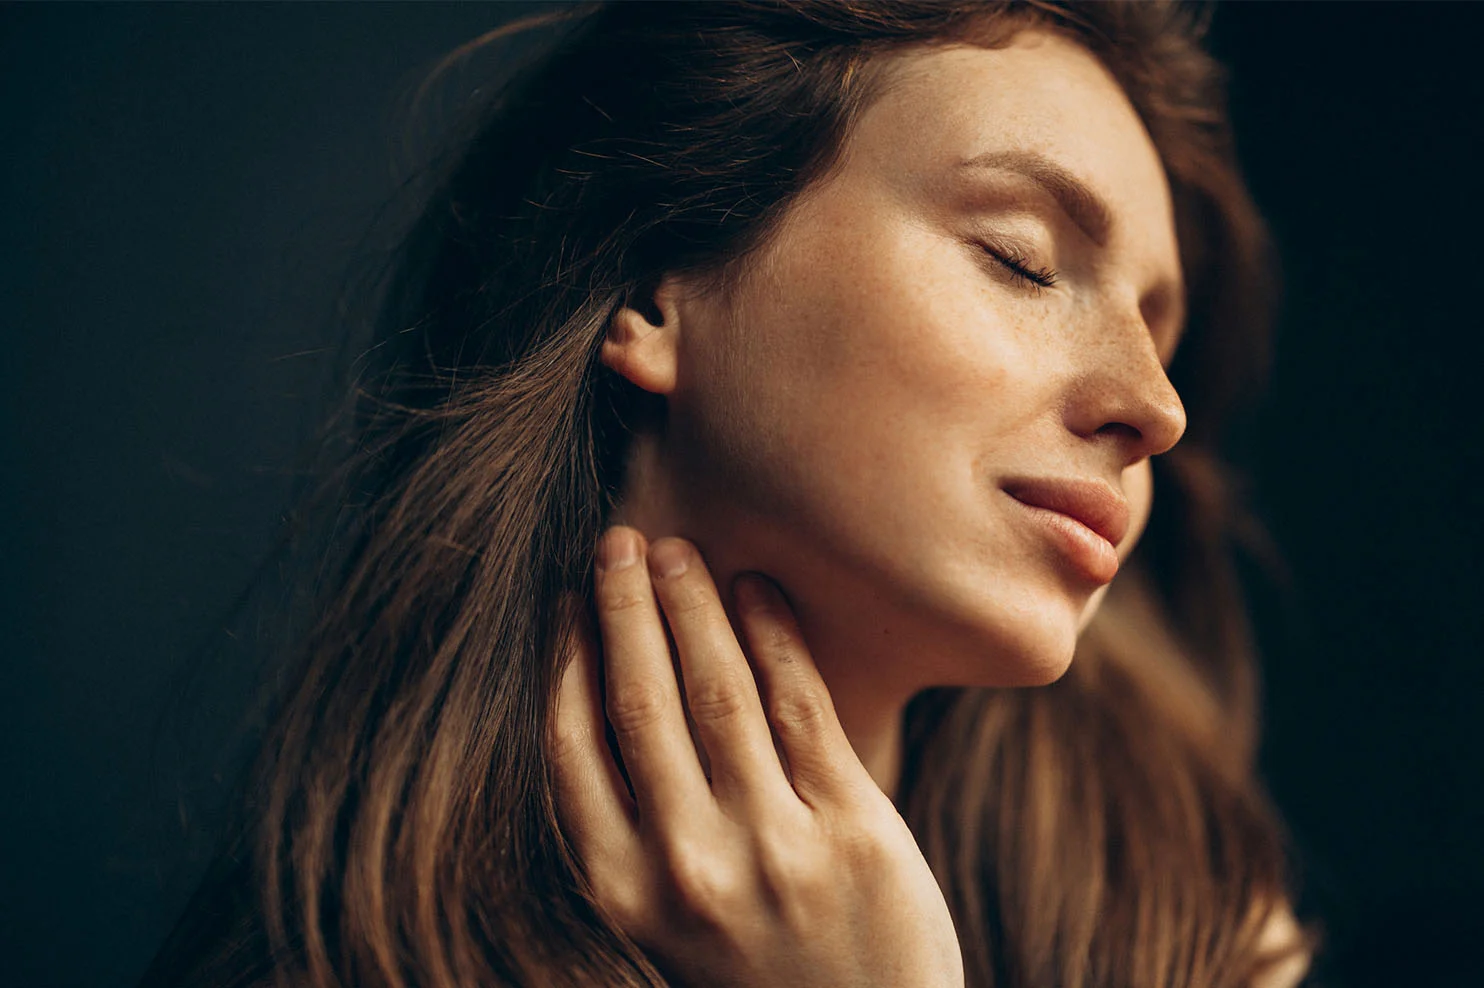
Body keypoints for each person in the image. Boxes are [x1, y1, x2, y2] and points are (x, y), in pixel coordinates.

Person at [140, 2, 1320, 986]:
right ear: (657, 281)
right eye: (1020, 257)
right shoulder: (334, 951)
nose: (1152, 409)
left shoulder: (1198, 934)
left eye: (1157, 333)